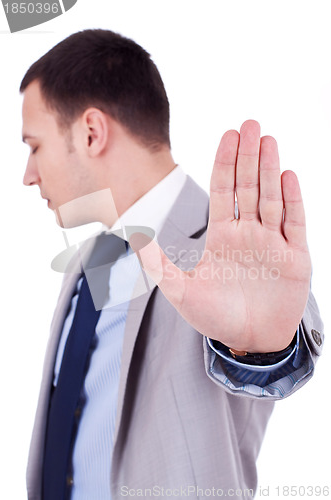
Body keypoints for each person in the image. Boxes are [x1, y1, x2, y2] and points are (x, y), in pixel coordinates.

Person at [21, 29, 323, 500]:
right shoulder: (88, 263)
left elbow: (276, 340)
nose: (28, 175)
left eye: (34, 145)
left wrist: (260, 351)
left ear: (91, 132)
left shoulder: (231, 245)